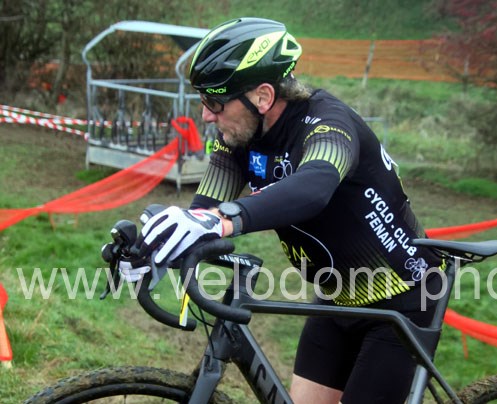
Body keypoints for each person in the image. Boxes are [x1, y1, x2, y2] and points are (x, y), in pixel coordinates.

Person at [134, 17, 445, 404]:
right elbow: (204, 211)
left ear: (263, 96)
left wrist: (226, 219)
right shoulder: (241, 136)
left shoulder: (328, 124)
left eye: (215, 102)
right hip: (336, 298)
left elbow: (314, 186)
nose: (206, 116)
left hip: (404, 299)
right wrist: (151, 244)